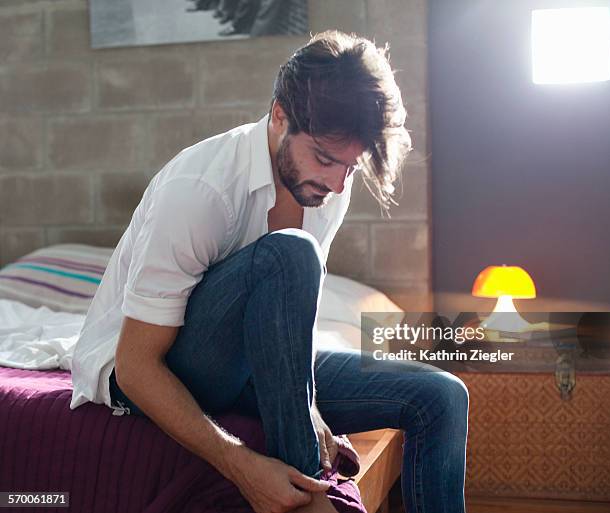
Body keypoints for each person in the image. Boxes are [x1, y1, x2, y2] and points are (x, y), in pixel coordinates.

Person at [70, 30, 469, 513]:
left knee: (443, 397)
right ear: (280, 114)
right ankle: (310, 496)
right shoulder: (199, 189)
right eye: (324, 158)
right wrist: (242, 464)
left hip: (248, 362)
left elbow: (285, 324)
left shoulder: (326, 187)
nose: (338, 182)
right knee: (289, 254)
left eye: (351, 166)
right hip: (153, 368)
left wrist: (311, 410)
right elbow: (135, 367)